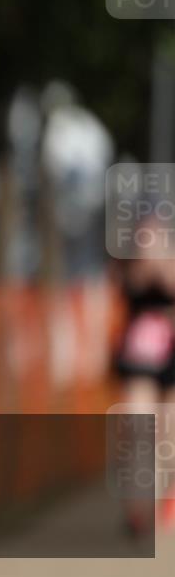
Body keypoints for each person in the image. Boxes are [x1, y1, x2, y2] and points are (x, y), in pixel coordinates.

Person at [112, 212, 175, 535]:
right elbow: (126, 290)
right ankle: (138, 508)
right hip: (140, 356)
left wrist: (164, 267)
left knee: (168, 433)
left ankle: (168, 495)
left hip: (171, 357)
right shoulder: (129, 266)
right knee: (139, 430)